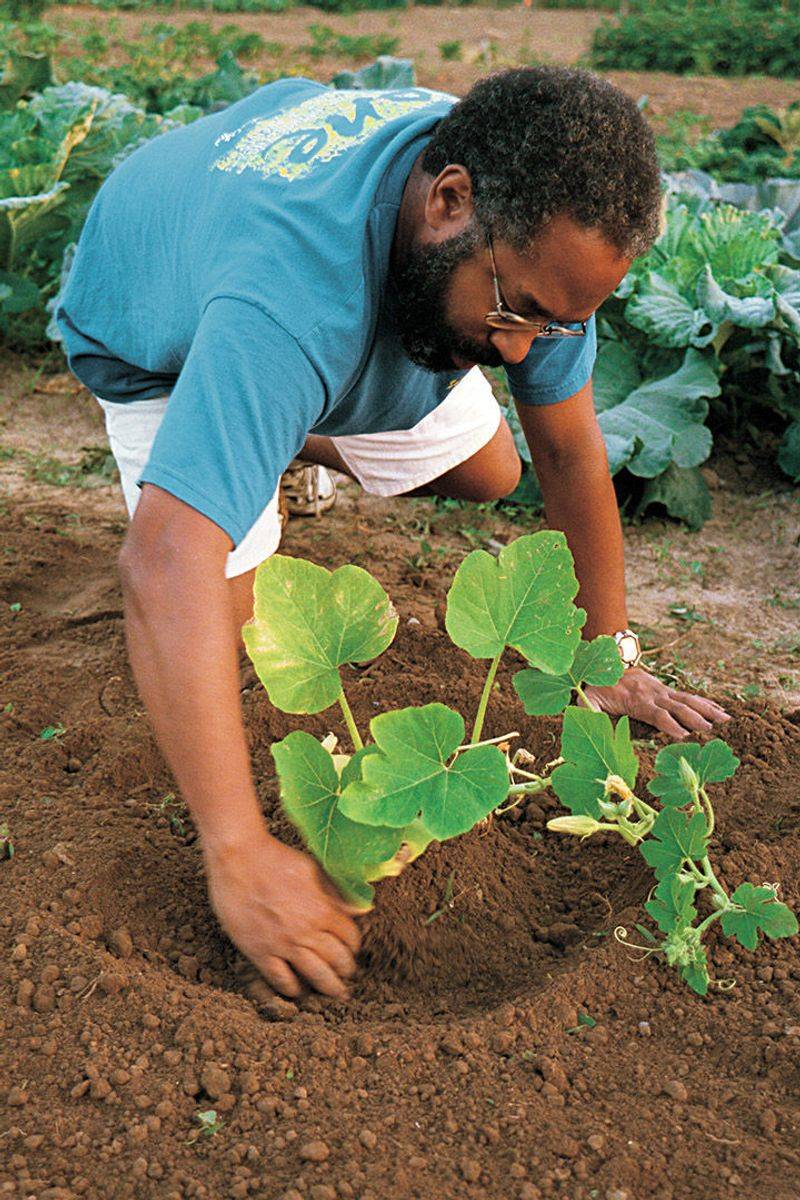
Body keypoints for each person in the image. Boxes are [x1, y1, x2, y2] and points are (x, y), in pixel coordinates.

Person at [56, 66, 730, 1002]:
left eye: (560, 323)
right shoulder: (290, 300)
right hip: (154, 315)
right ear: (448, 200)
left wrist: (603, 655)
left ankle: (269, 432)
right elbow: (162, 562)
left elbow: (569, 454)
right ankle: (245, 434)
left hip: (310, 272)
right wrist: (238, 850)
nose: (527, 349)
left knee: (494, 471)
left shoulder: (533, 247)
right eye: (521, 312)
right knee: (227, 637)